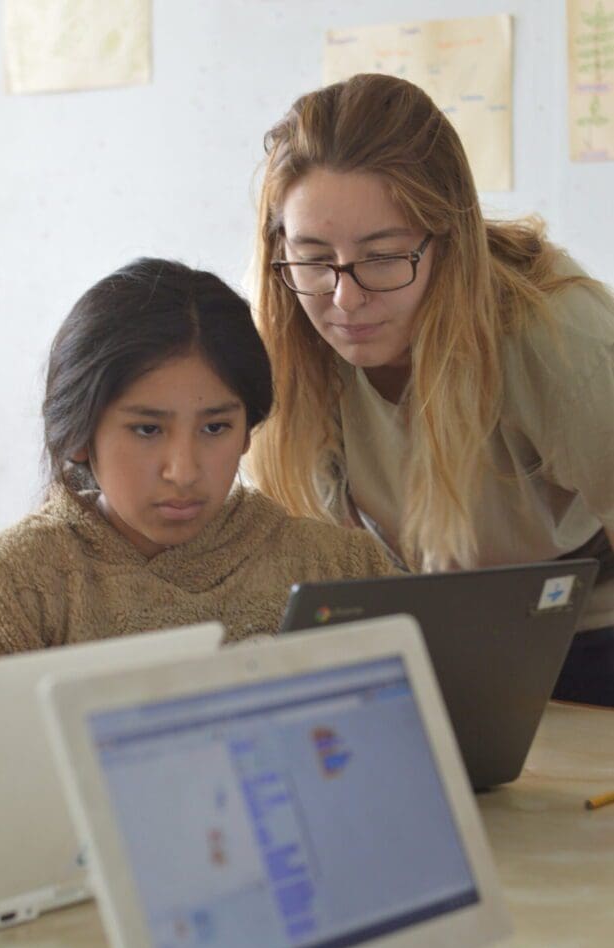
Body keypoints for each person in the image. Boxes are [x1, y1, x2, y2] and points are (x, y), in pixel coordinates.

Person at [248, 73, 614, 706]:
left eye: (383, 256)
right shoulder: (286, 330)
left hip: (588, 628)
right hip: (430, 625)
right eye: (313, 257)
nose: (345, 299)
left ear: (447, 241)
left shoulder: (560, 338)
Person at [0, 258, 397, 667]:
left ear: (246, 432)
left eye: (215, 428)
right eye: (147, 430)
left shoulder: (339, 571)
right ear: (79, 435)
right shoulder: (7, 591)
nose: (183, 471)